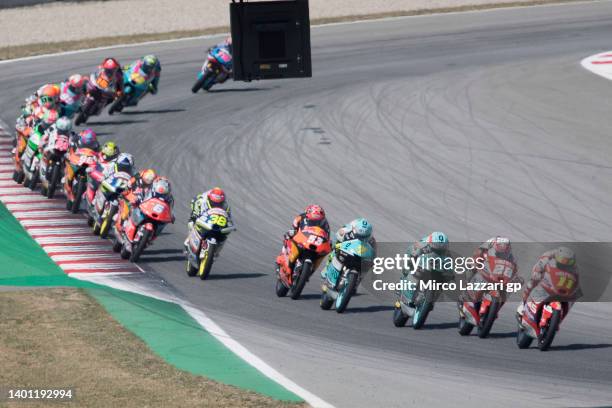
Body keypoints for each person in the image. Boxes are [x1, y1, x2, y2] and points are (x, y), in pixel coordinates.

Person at [458, 237, 519, 317]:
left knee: (506, 289)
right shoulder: (491, 242)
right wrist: (476, 262)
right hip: (486, 261)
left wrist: (513, 277)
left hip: (498, 272)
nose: (502, 254)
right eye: (500, 253)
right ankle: (464, 293)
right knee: (472, 267)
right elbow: (478, 251)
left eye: (504, 253)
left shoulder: (510, 254)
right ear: (496, 247)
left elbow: (514, 267)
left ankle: (496, 309)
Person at [516, 246, 582, 321]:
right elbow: (538, 267)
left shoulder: (574, 267)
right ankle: (523, 304)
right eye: (562, 260)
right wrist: (537, 273)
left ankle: (562, 316)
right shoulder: (548, 256)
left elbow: (576, 278)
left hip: (560, 280)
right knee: (532, 283)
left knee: (574, 295)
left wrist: (576, 287)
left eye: (568, 262)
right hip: (546, 273)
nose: (565, 263)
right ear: (557, 256)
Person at [401, 231, 453, 309]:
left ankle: (432, 301)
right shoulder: (423, 243)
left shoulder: (447, 254)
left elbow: (450, 267)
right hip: (423, 262)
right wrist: (415, 255)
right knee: (410, 261)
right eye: (436, 249)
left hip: (435, 269)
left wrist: (450, 275)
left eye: (440, 250)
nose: (438, 252)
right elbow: (412, 249)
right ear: (430, 244)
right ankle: (404, 279)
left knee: (444, 282)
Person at [277, 205, 331, 278]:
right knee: (288, 237)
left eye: (319, 214)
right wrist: (294, 231)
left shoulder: (325, 223)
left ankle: (311, 271)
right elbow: (294, 226)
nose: (316, 215)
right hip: (302, 239)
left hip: (315, 243)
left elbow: (327, 235)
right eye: (315, 213)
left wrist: (328, 242)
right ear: (308, 212)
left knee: (322, 254)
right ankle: (283, 257)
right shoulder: (302, 217)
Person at [321, 218, 376, 283]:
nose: (361, 238)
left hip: (360, 255)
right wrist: (340, 240)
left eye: (363, 237)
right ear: (355, 230)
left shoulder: (372, 241)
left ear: (368, 235)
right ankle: (327, 267)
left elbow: (373, 256)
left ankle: (358, 281)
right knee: (335, 248)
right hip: (347, 250)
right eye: (359, 236)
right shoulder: (347, 231)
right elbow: (338, 236)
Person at [184, 187, 231, 251]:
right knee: (191, 223)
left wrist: (229, 224)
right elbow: (194, 210)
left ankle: (217, 249)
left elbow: (229, 217)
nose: (216, 205)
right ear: (209, 200)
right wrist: (194, 216)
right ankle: (190, 239)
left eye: (219, 204)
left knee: (224, 234)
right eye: (214, 203)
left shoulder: (226, 206)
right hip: (203, 217)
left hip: (216, 221)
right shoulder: (202, 201)